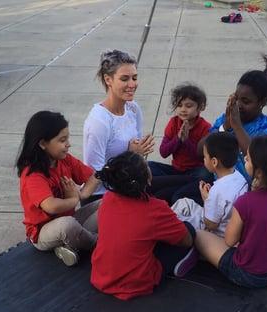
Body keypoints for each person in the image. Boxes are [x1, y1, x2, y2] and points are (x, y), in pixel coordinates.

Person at [176, 135, 267, 287]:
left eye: (247, 159)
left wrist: (208, 201)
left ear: (259, 172)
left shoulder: (246, 202)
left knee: (198, 234)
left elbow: (229, 240)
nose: (244, 160)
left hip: (250, 275)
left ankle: (195, 254)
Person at [169, 55, 267, 206]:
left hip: (245, 194)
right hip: (215, 184)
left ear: (261, 102)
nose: (239, 105)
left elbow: (258, 160)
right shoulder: (227, 119)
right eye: (237, 98)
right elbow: (200, 150)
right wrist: (225, 126)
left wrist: (237, 126)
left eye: (246, 101)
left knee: (179, 199)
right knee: (174, 196)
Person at [91, 151, 197, 300]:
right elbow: (186, 239)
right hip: (135, 283)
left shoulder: (108, 198)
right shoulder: (155, 209)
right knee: (189, 230)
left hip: (100, 275)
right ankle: (180, 263)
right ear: (147, 178)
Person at [16, 111, 100, 267]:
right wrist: (73, 199)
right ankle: (99, 244)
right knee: (67, 225)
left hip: (72, 219)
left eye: (67, 138)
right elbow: (51, 206)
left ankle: (72, 245)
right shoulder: (33, 174)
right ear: (42, 144)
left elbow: (93, 177)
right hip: (43, 232)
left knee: (106, 203)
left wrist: (81, 195)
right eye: (62, 140)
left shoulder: (64, 159)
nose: (68, 144)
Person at [83, 49, 155, 203]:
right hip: (104, 194)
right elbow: (96, 173)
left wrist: (138, 155)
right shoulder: (99, 121)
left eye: (134, 78)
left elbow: (136, 152)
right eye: (124, 79)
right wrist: (130, 154)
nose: (132, 84)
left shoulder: (133, 108)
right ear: (108, 79)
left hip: (130, 182)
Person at [171, 133, 247, 237]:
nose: (204, 160)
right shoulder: (240, 177)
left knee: (178, 215)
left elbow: (211, 224)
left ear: (214, 162)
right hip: (229, 225)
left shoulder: (217, 190)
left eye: (205, 157)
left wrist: (206, 199)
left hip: (216, 233)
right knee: (183, 203)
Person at [149, 83, 211, 179]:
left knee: (205, 174)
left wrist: (186, 141)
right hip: (175, 170)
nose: (183, 109)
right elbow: (163, 152)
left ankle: (173, 184)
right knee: (148, 166)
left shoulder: (205, 127)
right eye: (179, 105)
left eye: (188, 106)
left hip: (195, 171)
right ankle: (178, 184)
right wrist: (178, 138)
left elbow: (202, 158)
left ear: (201, 107)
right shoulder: (173, 123)